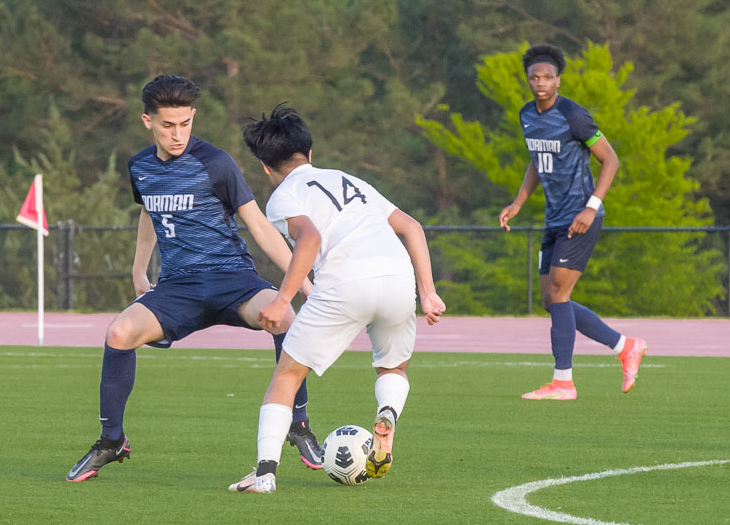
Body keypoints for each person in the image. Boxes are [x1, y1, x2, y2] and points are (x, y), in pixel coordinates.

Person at [65, 75, 325, 482]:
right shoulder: (140, 167)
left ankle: (298, 424)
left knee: (286, 319)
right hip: (177, 288)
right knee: (118, 334)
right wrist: (139, 269)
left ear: (193, 117)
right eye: (167, 125)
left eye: (185, 124)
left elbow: (258, 226)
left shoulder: (216, 162)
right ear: (147, 121)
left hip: (233, 279)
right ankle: (111, 440)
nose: (177, 134)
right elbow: (149, 211)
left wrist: (304, 285)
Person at [228, 104, 446, 494]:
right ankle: (387, 414)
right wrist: (428, 293)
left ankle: (264, 473)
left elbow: (309, 239)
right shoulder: (350, 180)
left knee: (288, 376)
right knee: (393, 368)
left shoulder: (282, 196)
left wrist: (282, 300)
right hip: (398, 278)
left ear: (265, 167)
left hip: (347, 282)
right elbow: (412, 227)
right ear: (310, 153)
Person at [498, 43, 646, 401]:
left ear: (558, 80)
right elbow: (537, 160)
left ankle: (563, 382)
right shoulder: (526, 115)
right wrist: (519, 202)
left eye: (548, 76)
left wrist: (591, 207)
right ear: (528, 80)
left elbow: (610, 160)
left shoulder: (574, 115)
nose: (541, 82)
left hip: (581, 217)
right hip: (554, 218)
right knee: (552, 300)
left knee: (561, 294)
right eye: (535, 77)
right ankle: (625, 346)